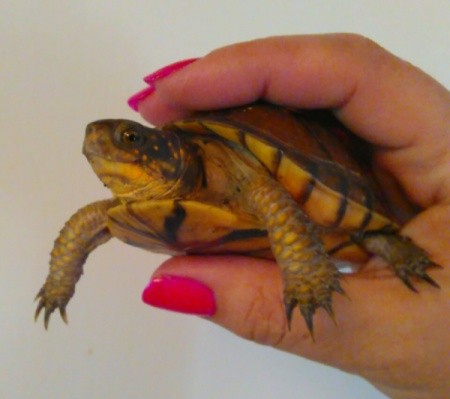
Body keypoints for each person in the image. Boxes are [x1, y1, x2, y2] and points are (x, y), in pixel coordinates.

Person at [127, 34, 450, 399]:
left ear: (167, 148)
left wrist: (304, 271)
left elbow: (271, 199)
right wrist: (62, 277)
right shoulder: (135, 199)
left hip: (328, 222)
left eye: (130, 139)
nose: (108, 148)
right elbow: (90, 222)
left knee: (375, 238)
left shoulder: (235, 168)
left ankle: (391, 245)